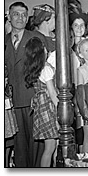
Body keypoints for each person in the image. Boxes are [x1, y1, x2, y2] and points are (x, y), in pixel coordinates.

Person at [5, 1, 47, 167]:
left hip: (33, 99)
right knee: (19, 143)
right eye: (16, 14)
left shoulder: (36, 38)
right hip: (13, 101)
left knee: (37, 142)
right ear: (9, 16)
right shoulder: (4, 41)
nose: (20, 18)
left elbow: (45, 69)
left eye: (23, 14)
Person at [23, 37, 59, 167]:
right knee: (50, 148)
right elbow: (53, 93)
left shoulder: (38, 69)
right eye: (44, 47)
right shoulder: (46, 69)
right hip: (48, 109)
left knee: (53, 146)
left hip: (42, 107)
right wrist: (61, 108)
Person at [68, 10, 88, 153]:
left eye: (82, 25)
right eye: (76, 25)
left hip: (85, 87)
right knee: (75, 120)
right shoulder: (68, 47)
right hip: (72, 87)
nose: (79, 28)